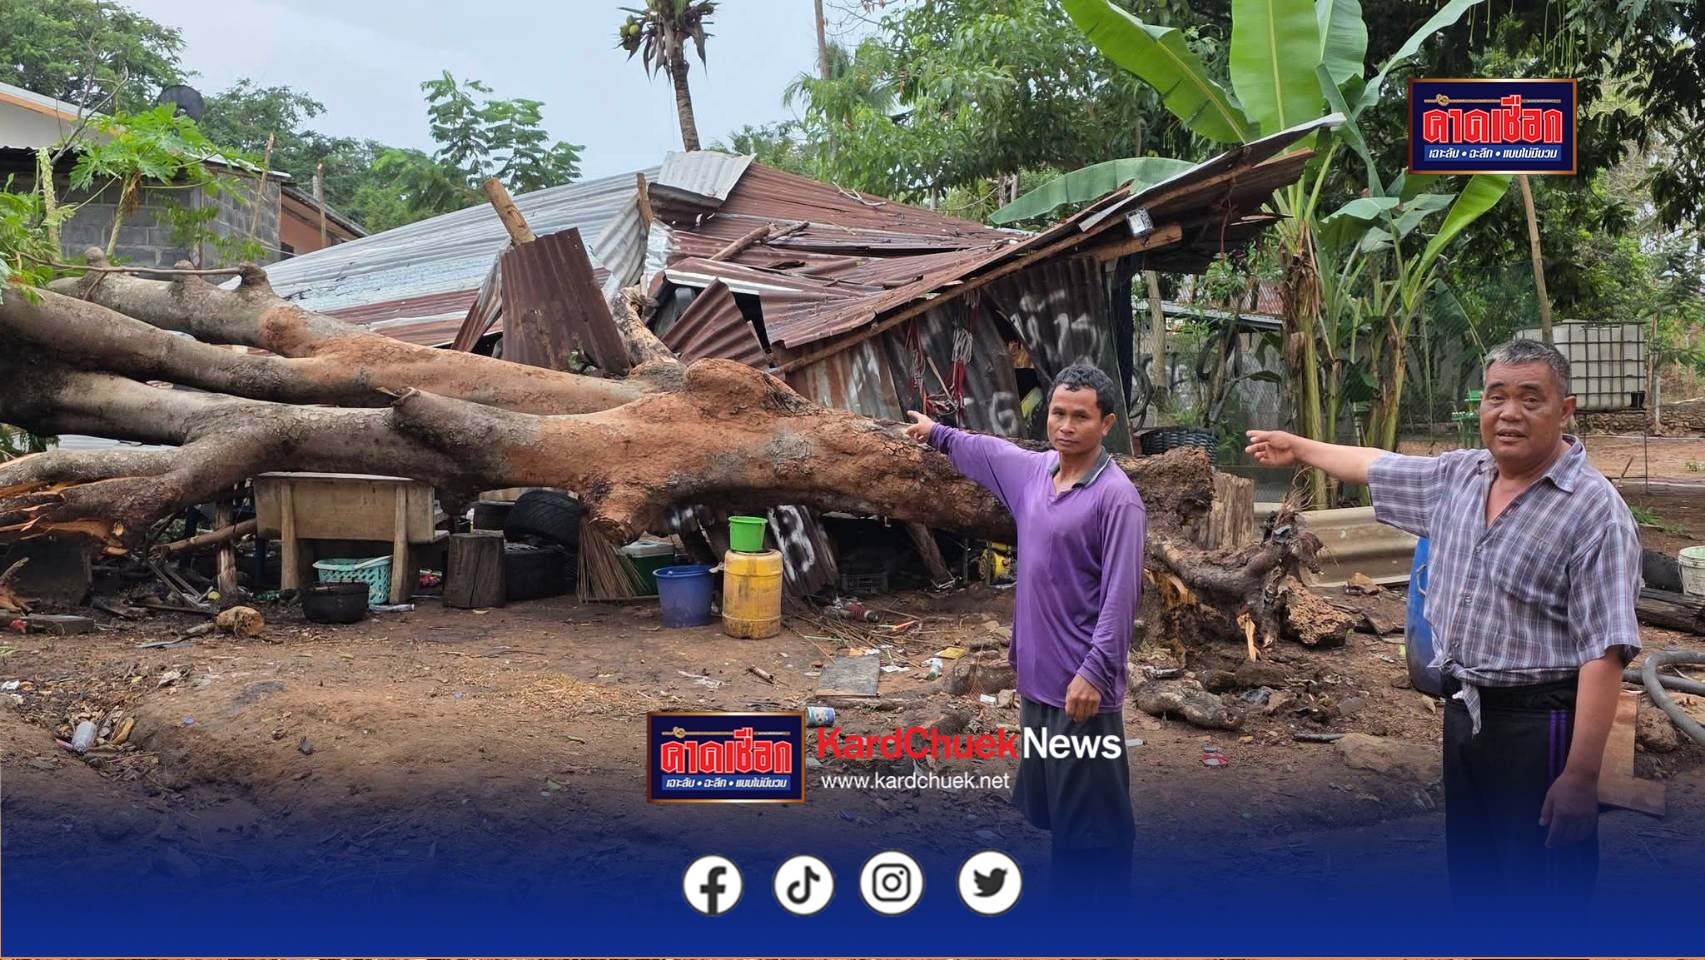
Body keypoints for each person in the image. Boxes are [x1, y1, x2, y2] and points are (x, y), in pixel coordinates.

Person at [1245, 338, 1640, 917]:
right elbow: (1373, 464)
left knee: (1543, 900)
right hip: (1465, 715)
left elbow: (1604, 653)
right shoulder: (1459, 477)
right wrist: (1298, 447)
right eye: (1497, 397)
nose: (1510, 413)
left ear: (1566, 410)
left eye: (1531, 399)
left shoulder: (1593, 510)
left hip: (1543, 726)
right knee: (1477, 890)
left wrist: (1581, 776)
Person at [903, 363, 1144, 906]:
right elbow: (986, 452)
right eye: (1058, 412)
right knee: (1066, 815)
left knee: (1094, 818)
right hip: (1039, 684)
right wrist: (935, 433)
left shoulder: (1116, 498)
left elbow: (1121, 596)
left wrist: (1094, 673)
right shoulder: (1036, 473)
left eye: (1080, 416)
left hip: (1082, 689)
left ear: (1106, 423)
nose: (1065, 425)